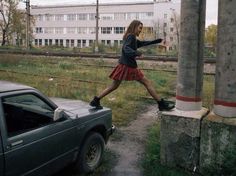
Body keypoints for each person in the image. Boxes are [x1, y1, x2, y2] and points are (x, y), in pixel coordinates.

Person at [90, 20, 175, 111]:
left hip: (123, 65)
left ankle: (96, 100)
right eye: (140, 28)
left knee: (114, 86)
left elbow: (142, 43)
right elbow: (126, 48)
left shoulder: (130, 37)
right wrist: (137, 53)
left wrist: (157, 41)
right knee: (147, 83)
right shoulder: (131, 37)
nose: (140, 30)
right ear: (134, 27)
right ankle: (161, 104)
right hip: (129, 66)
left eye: (141, 28)